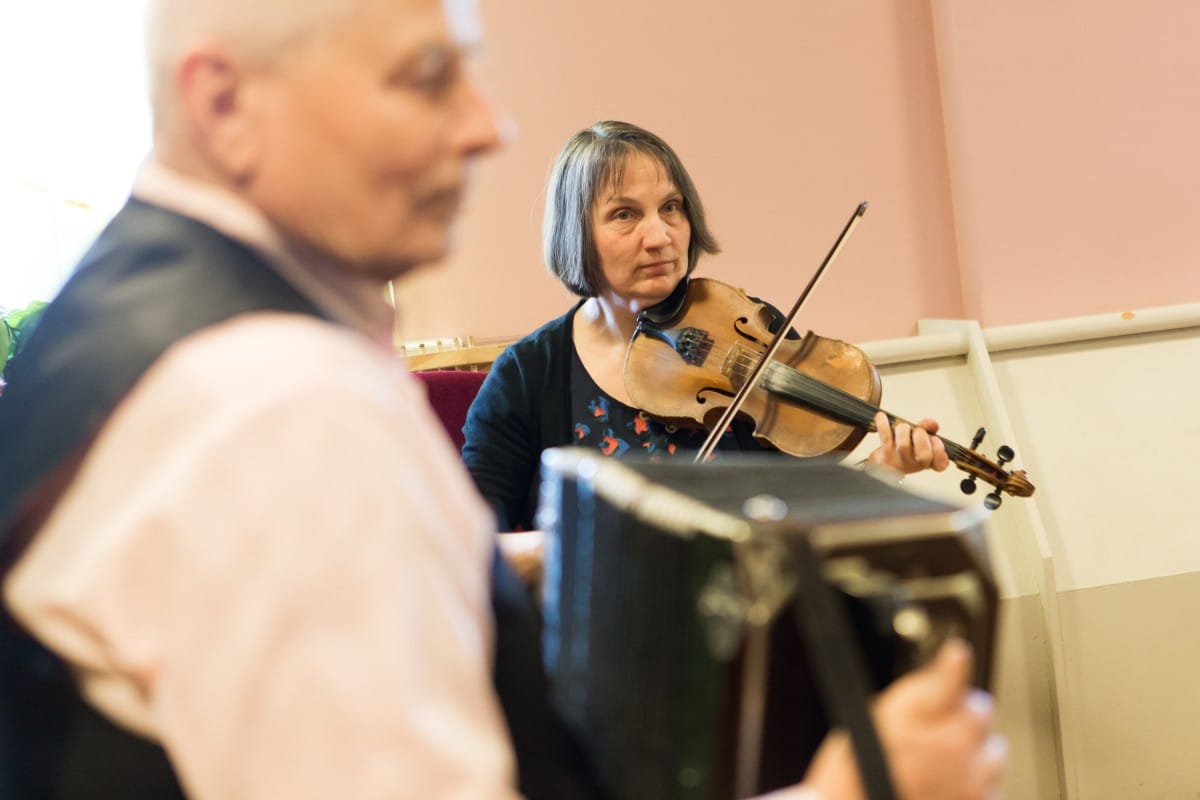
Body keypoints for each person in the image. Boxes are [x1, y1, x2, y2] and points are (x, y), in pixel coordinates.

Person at [0, 5, 1000, 799]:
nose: (489, 125)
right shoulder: (281, 401)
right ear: (224, 102)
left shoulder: (130, 313)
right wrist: (842, 792)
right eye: (425, 76)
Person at [463, 119, 951, 534]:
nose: (660, 237)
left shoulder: (745, 328)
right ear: (575, 233)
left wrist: (882, 470)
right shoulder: (528, 375)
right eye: (624, 214)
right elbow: (474, 547)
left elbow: (800, 516)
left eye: (670, 208)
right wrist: (579, 552)